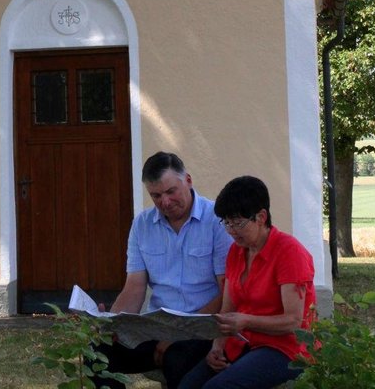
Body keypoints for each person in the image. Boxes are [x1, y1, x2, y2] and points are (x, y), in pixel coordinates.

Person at [93, 151, 233, 388]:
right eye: (156, 196)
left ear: (187, 180)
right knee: (98, 352)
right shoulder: (142, 224)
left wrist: (178, 333)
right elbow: (134, 288)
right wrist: (113, 322)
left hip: (203, 328)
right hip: (156, 327)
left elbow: (227, 291)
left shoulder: (217, 220)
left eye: (171, 192)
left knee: (177, 360)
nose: (165, 202)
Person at [179, 175, 316, 389]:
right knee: (188, 385)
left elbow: (294, 321)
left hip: (285, 349)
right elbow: (227, 309)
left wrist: (246, 321)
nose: (231, 231)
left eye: (238, 223)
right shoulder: (236, 251)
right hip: (245, 342)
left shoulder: (289, 252)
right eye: (227, 223)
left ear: (261, 217)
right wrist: (217, 347)